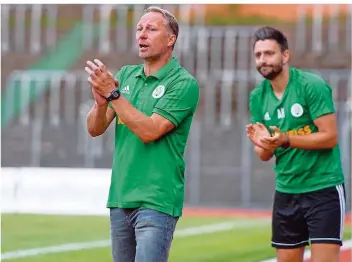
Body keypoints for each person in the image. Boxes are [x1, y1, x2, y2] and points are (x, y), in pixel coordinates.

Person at [84, 6, 200, 262]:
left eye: (151, 29)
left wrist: (113, 95)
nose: (142, 35)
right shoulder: (126, 75)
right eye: (139, 29)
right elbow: (94, 128)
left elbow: (150, 131)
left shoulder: (183, 83)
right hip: (121, 197)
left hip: (156, 200)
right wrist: (101, 104)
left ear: (171, 39)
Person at [246, 26, 346, 262]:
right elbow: (263, 154)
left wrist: (287, 139)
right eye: (258, 55)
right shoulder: (257, 97)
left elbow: (329, 136)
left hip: (323, 189)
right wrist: (265, 144)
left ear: (285, 55)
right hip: (286, 192)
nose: (263, 60)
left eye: (269, 53)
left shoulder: (311, 85)